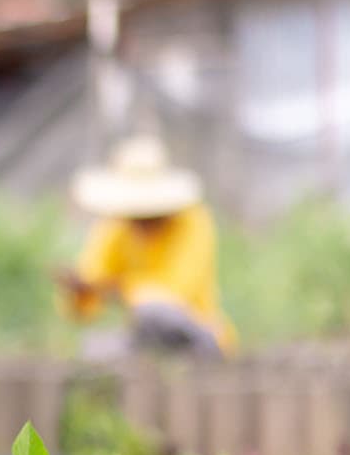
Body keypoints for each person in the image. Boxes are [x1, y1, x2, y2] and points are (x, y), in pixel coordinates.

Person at [56, 134, 236, 359]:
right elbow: (86, 304)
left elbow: (174, 293)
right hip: (146, 340)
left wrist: (116, 288)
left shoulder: (193, 222)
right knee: (92, 349)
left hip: (199, 336)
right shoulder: (115, 228)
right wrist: (80, 291)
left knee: (153, 312)